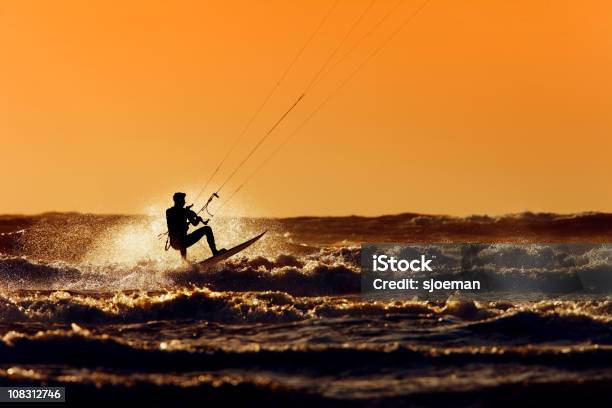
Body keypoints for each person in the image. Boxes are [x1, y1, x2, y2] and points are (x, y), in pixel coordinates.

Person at [166, 192, 225, 259]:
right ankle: (184, 262)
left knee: (205, 229)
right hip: (177, 242)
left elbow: (194, 223)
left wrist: (198, 219)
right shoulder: (171, 211)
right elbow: (177, 217)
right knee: (182, 239)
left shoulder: (180, 211)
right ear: (177, 201)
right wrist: (188, 214)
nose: (184, 202)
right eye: (183, 200)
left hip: (179, 241)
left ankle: (185, 262)